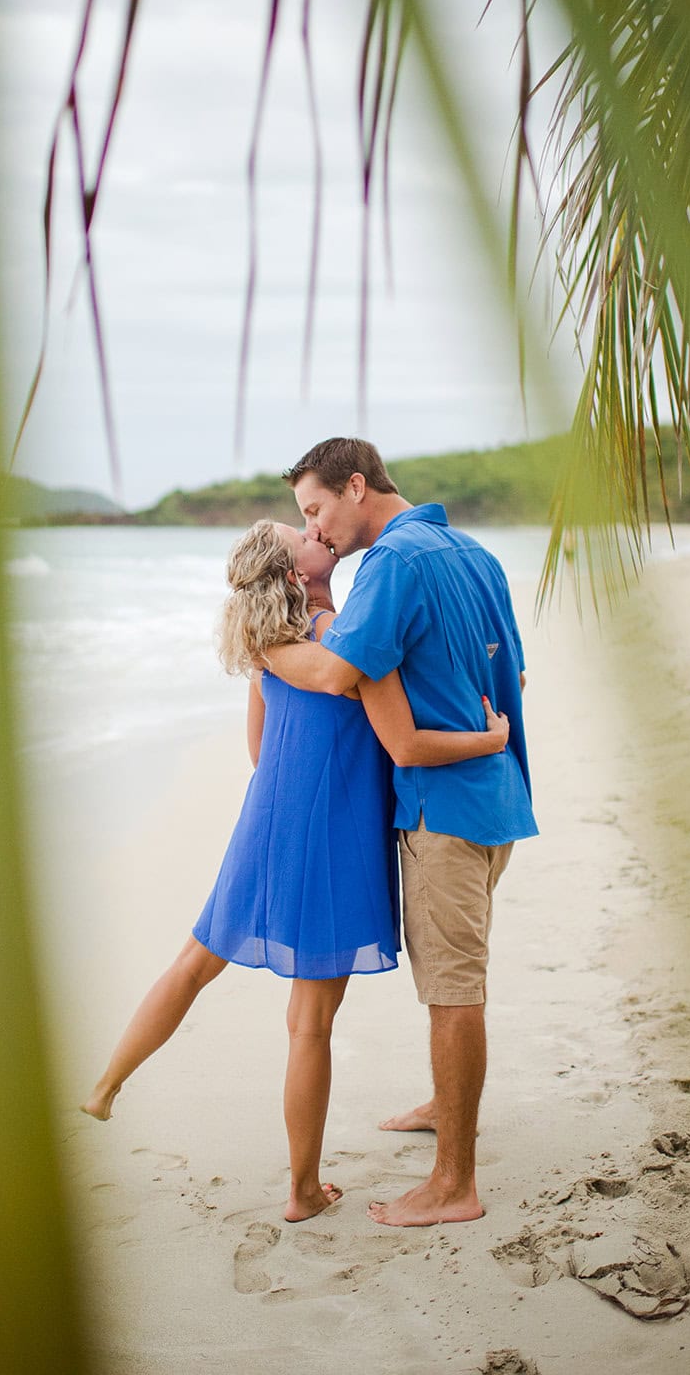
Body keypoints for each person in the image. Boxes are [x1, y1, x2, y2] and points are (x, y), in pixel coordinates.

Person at [82, 518, 510, 1223]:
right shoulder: (344, 639)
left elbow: (258, 749)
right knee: (309, 1022)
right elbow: (401, 742)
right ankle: (302, 1191)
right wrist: (488, 738)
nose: (318, 532)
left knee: (193, 962)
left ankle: (103, 1088)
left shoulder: (266, 645)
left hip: (266, 818)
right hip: (332, 832)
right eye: (302, 535)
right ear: (293, 573)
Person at [262, 439, 538, 1229]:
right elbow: (511, 674)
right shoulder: (471, 552)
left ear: (356, 486)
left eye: (315, 510)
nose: (317, 528)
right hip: (497, 800)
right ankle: (441, 1108)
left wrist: (265, 645)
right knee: (453, 978)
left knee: (452, 991)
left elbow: (341, 672)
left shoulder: (390, 563)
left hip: (441, 810)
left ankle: (454, 1182)